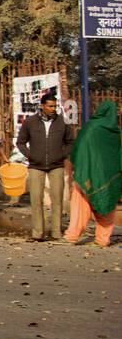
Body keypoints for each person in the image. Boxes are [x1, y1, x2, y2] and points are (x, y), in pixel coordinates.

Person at [15, 91, 76, 242]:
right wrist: (30, 155)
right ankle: (37, 233)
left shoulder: (62, 122)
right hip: (36, 166)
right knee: (36, 199)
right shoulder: (30, 122)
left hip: (56, 165)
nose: (53, 109)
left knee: (57, 200)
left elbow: (71, 142)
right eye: (50, 106)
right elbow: (20, 142)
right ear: (42, 106)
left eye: (55, 106)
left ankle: (56, 233)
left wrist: (62, 154)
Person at [63, 100, 119, 247]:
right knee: (107, 204)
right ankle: (102, 239)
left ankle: (72, 236)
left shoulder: (89, 128)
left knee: (80, 204)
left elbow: (78, 150)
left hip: (86, 172)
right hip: (108, 177)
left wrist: (75, 170)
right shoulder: (116, 133)